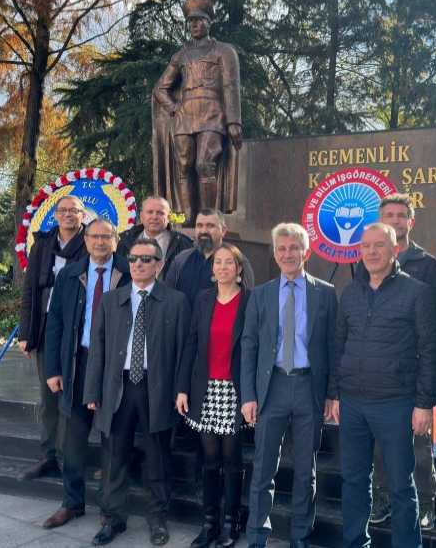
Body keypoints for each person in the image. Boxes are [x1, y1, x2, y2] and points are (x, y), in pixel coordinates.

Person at [331, 223, 436, 548]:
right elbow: (339, 345)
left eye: (380, 245)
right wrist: (334, 393)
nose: (372, 252)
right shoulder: (350, 292)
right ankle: (355, 542)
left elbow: (430, 350)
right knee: (353, 481)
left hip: (395, 405)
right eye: (366, 246)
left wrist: (424, 403)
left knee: (400, 486)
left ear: (395, 250)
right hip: (352, 404)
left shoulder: (417, 292)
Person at [83, 238, 191, 546]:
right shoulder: (111, 300)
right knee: (114, 457)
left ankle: (157, 518)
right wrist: (93, 390)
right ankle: (113, 519)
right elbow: (98, 350)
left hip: (156, 389)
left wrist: (181, 389)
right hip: (117, 389)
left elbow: (185, 352)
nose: (138, 264)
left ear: (159, 265)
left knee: (157, 457)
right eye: (133, 258)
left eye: (146, 259)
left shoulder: (176, 301)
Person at [240, 223, 338, 548]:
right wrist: (249, 395)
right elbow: (249, 346)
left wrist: (332, 394)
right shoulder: (261, 295)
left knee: (304, 472)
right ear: (275, 252)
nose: (287, 254)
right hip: (272, 389)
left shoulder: (325, 293)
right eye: (281, 248)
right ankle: (257, 537)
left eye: (293, 248)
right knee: (263, 467)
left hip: (309, 388)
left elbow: (333, 347)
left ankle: (300, 537)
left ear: (305, 252)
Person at [41, 219, 130, 529]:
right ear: (86, 240)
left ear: (116, 241)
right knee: (73, 442)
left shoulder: (129, 274)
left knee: (112, 442)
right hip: (78, 364)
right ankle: (72, 503)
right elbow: (55, 325)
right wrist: (53, 369)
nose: (100, 242)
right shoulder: (68, 275)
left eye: (106, 236)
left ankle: (110, 509)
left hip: (115, 369)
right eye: (94, 236)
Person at [362, 194, 436, 531]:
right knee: (380, 442)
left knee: (419, 443)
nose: (395, 220)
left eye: (400, 215)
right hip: (380, 370)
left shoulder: (427, 264)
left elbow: (434, 324)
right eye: (388, 215)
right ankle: (381, 497)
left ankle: (425, 503)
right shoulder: (366, 260)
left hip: (415, 369)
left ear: (410, 221)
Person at [176, 244, 250, 548]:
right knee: (209, 460)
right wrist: (182, 387)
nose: (222, 267)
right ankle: (210, 522)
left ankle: (232, 521)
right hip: (205, 388)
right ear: (212, 269)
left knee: (231, 459)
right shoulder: (203, 299)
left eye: (229, 262)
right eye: (218, 262)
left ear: (239, 269)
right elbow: (191, 345)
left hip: (234, 390)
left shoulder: (249, 300)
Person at [17, 195, 88, 481]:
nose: (68, 215)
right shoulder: (43, 244)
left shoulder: (91, 243)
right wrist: (25, 332)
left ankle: (71, 456)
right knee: (48, 397)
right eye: (63, 210)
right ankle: (49, 456)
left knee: (72, 398)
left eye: (74, 210)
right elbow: (30, 290)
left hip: (78, 330)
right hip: (47, 329)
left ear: (83, 215)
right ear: (55, 215)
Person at [152, 0, 242, 218]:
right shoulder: (181, 54)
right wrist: (174, 108)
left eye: (199, 20)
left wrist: (233, 121)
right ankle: (189, 217)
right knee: (183, 166)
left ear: (209, 22)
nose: (194, 25)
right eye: (191, 21)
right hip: (185, 116)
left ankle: (207, 217)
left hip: (213, 113)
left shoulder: (224, 51)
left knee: (205, 164)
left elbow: (231, 86)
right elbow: (160, 88)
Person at [165, 208, 255, 307]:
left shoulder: (236, 260)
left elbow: (246, 301)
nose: (204, 231)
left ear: (223, 231)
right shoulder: (181, 260)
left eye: (210, 226)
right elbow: (168, 297)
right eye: (199, 226)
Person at [116, 196, 193, 279]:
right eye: (150, 212)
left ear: (168, 217)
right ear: (141, 216)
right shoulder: (124, 242)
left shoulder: (184, 244)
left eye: (160, 213)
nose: (154, 217)